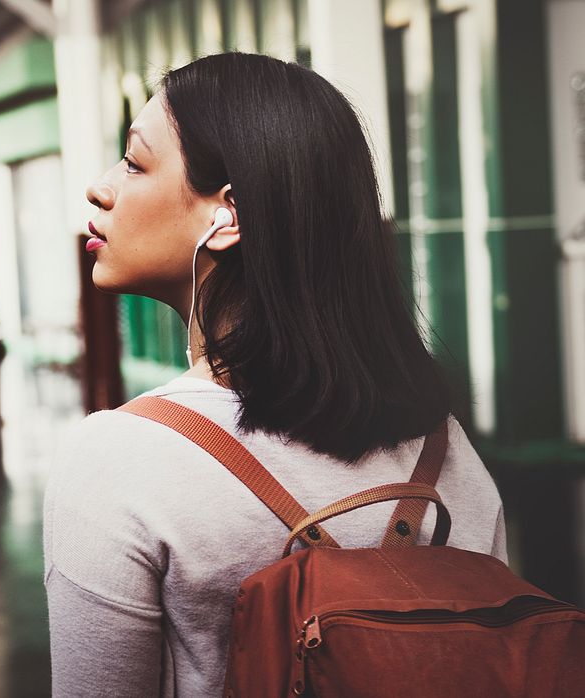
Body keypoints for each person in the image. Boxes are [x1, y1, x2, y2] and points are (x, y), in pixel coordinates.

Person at [43, 52, 507, 696]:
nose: (101, 187)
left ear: (227, 216)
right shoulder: (446, 449)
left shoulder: (119, 459)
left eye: (134, 161)